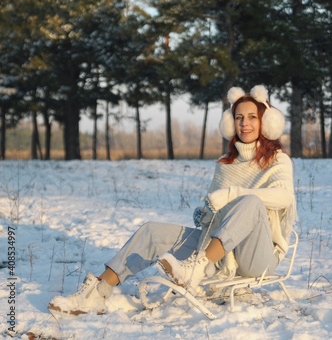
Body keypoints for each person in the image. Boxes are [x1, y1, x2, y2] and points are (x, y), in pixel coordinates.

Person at [48, 84, 296, 315]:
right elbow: (215, 217)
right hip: (218, 251)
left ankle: (194, 270)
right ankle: (97, 292)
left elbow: (284, 197)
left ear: (266, 122)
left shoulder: (278, 160)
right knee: (151, 231)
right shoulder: (226, 164)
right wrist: (205, 213)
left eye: (252, 117)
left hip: (257, 258)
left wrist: (234, 194)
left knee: (250, 203)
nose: (244, 123)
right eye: (239, 117)